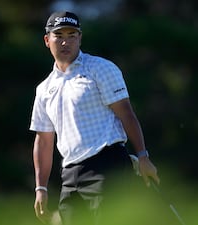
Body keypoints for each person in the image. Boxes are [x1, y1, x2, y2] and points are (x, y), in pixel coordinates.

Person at [30, 11, 160, 225]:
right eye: (59, 35)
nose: (65, 41)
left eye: (72, 35)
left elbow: (126, 113)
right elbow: (43, 141)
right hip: (70, 176)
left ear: (80, 38)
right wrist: (41, 188)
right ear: (47, 40)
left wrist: (143, 156)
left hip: (107, 165)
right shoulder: (44, 89)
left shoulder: (100, 68)